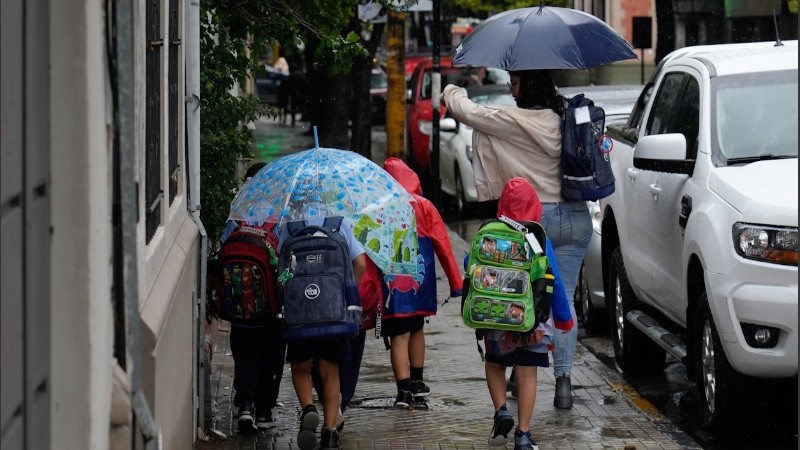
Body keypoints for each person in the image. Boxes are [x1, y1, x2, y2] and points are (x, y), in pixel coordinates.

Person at [442, 69, 592, 410]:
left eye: (514, 83)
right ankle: (564, 384)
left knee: (521, 291)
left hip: (530, 223)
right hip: (575, 216)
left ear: (528, 86)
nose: (511, 90)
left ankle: (518, 362)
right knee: (563, 298)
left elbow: (470, 113)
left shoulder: (514, 120)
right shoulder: (565, 117)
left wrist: (452, 90)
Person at [467, 177, 574, 450]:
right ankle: (523, 434)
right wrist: (563, 316)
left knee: (494, 364)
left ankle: (501, 410)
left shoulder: (489, 232)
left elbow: (470, 264)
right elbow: (554, 279)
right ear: (533, 205)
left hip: (494, 320)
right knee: (526, 374)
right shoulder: (536, 237)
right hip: (531, 323)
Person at [276, 203, 367, 450]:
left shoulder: (290, 225)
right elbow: (360, 263)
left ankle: (307, 407)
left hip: (300, 315)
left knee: (301, 367)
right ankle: (329, 433)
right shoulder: (339, 223)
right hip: (332, 313)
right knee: (331, 371)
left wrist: (287, 289)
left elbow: (282, 271)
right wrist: (344, 289)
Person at [374, 157, 463, 408]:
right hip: (419, 284)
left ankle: (402, 392)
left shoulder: (377, 209)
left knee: (399, 335)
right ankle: (417, 382)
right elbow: (444, 247)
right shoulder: (424, 206)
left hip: (390, 286)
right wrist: (456, 283)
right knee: (417, 329)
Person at [218, 162, 286, 434]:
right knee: (272, 350)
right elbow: (286, 253)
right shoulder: (280, 214)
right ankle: (264, 411)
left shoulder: (238, 211)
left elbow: (224, 244)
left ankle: (245, 404)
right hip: (269, 301)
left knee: (244, 350)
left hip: (240, 302)